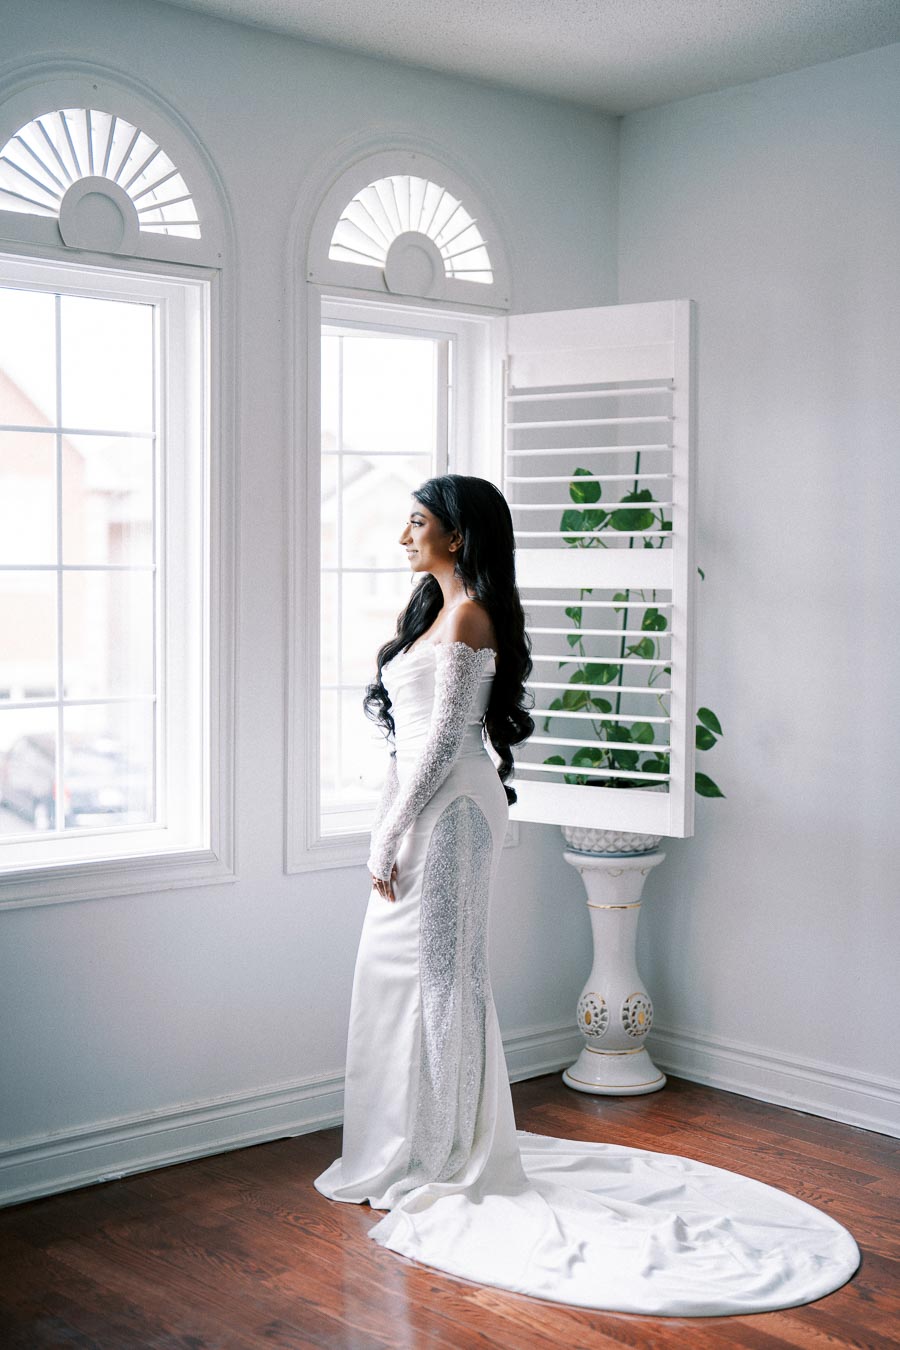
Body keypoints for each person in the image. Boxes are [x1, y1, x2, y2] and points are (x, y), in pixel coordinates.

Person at [314, 474, 859, 1316]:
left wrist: (398, 829)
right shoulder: (430, 614)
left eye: (417, 524)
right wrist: (384, 822)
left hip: (451, 814)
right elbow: (405, 745)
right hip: (418, 810)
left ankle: (445, 1152)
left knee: (445, 979)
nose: (404, 538)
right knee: (396, 977)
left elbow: (451, 741)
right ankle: (404, 1146)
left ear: (458, 536)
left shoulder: (468, 618)